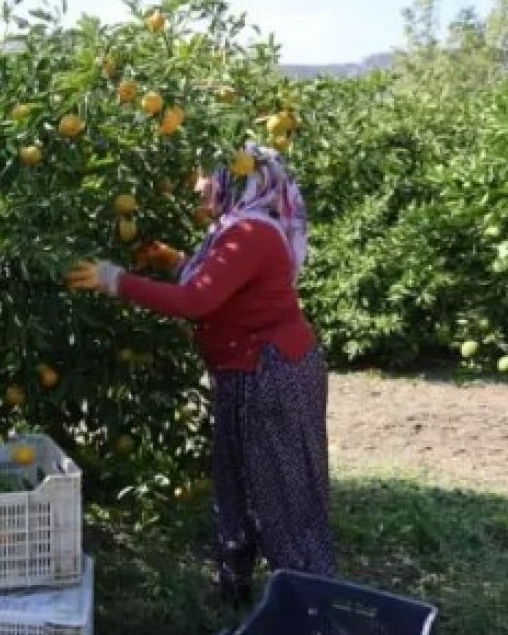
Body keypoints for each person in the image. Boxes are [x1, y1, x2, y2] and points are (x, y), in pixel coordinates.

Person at [66, 143, 335, 606]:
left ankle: (310, 601)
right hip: (253, 371)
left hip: (270, 374)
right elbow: (221, 282)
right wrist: (172, 260)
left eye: (207, 175)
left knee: (281, 490)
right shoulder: (239, 229)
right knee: (237, 480)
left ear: (237, 179)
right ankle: (238, 588)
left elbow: (196, 301)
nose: (197, 184)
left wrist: (117, 280)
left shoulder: (249, 232)